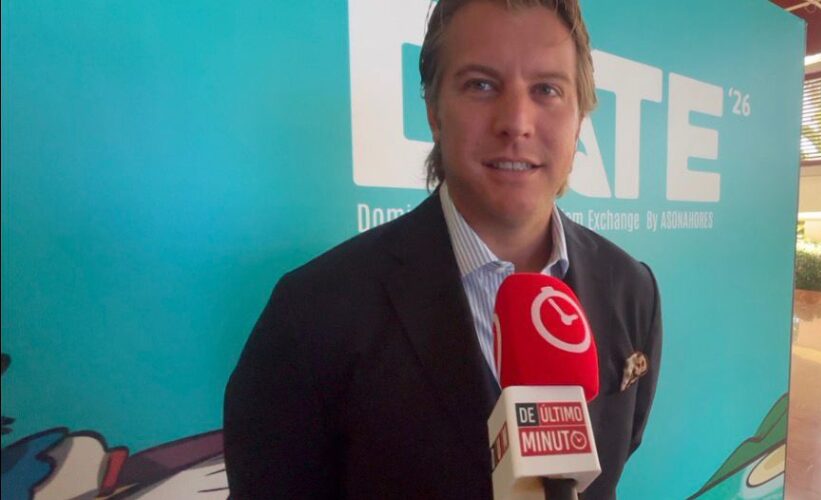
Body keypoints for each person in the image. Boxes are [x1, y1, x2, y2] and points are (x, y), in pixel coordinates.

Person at [223, 0, 662, 498]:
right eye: (481, 85)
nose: (516, 121)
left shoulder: (633, 291)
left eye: (547, 89)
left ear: (579, 118)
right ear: (434, 112)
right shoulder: (311, 313)